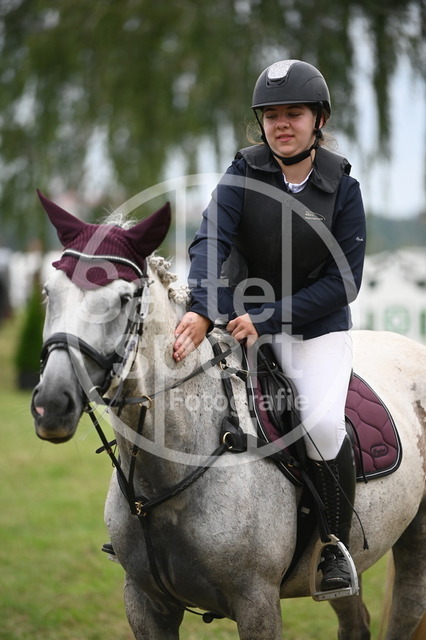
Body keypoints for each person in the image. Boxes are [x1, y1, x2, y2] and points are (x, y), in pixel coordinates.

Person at [173, 59, 366, 593]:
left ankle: (334, 548)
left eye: (294, 113)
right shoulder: (242, 173)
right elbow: (210, 240)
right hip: (237, 322)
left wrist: (268, 316)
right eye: (272, 115)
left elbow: (344, 282)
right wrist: (202, 308)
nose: (282, 124)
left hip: (314, 330)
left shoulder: (343, 188)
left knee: (322, 425)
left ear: (318, 119)